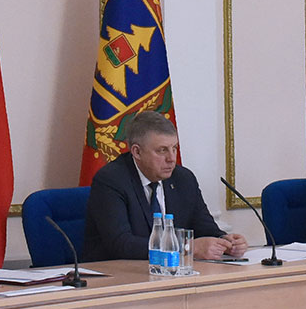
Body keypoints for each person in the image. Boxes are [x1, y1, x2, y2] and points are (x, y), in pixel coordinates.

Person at [82, 111, 246, 261]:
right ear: (137, 152)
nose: (172, 158)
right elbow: (121, 244)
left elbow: (205, 228)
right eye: (162, 150)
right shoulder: (111, 180)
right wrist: (187, 247)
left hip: (172, 273)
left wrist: (225, 242)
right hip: (118, 274)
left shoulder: (183, 179)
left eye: (174, 148)